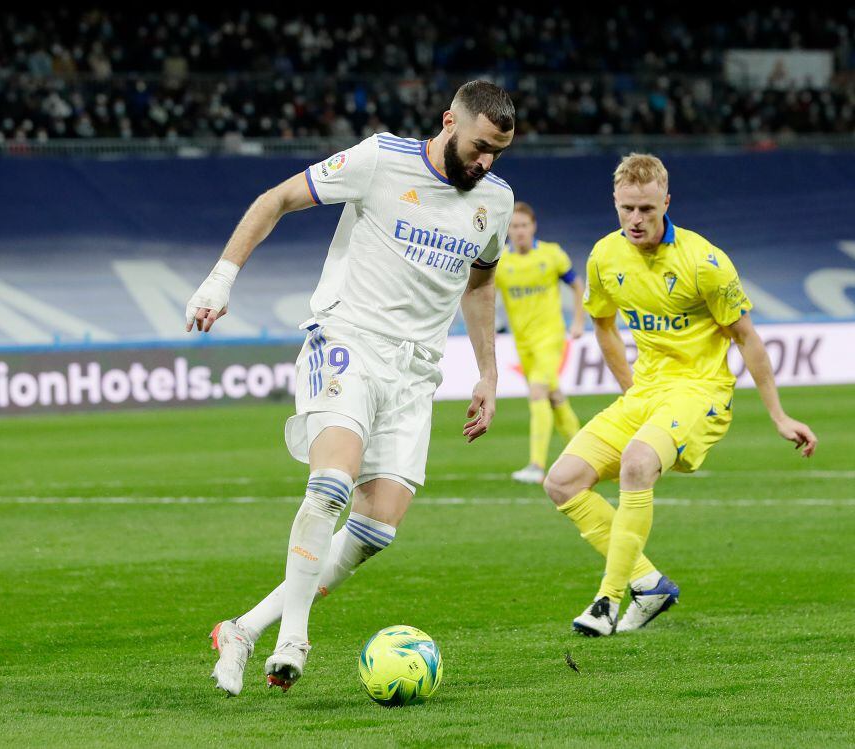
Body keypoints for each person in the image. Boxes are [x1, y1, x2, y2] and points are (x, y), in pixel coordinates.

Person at [187, 80, 516, 694]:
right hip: (348, 339)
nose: (485, 162)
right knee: (331, 483)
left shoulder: (494, 201)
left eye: (497, 152)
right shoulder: (380, 159)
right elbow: (276, 198)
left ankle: (242, 628)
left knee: (376, 528)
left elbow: (479, 285)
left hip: (416, 371)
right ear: (449, 121)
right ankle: (294, 637)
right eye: (478, 147)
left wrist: (488, 373)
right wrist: (219, 281)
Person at [542, 154, 818, 636]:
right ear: (615, 201)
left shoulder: (704, 262)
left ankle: (607, 601)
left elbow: (747, 337)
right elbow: (603, 325)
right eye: (627, 208)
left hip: (701, 392)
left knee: (635, 462)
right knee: (561, 482)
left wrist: (778, 414)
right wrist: (631, 388)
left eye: (647, 209)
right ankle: (649, 583)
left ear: (666, 202)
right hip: (648, 392)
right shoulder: (605, 256)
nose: (636, 219)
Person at [494, 201, 585, 484]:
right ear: (507, 229)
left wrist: (580, 321)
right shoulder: (501, 262)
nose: (519, 231)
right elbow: (481, 293)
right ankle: (586, 454)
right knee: (554, 398)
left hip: (551, 338)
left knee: (537, 392)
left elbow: (576, 283)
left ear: (533, 227)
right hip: (523, 343)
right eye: (514, 226)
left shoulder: (551, 254)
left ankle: (536, 465)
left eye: (523, 225)